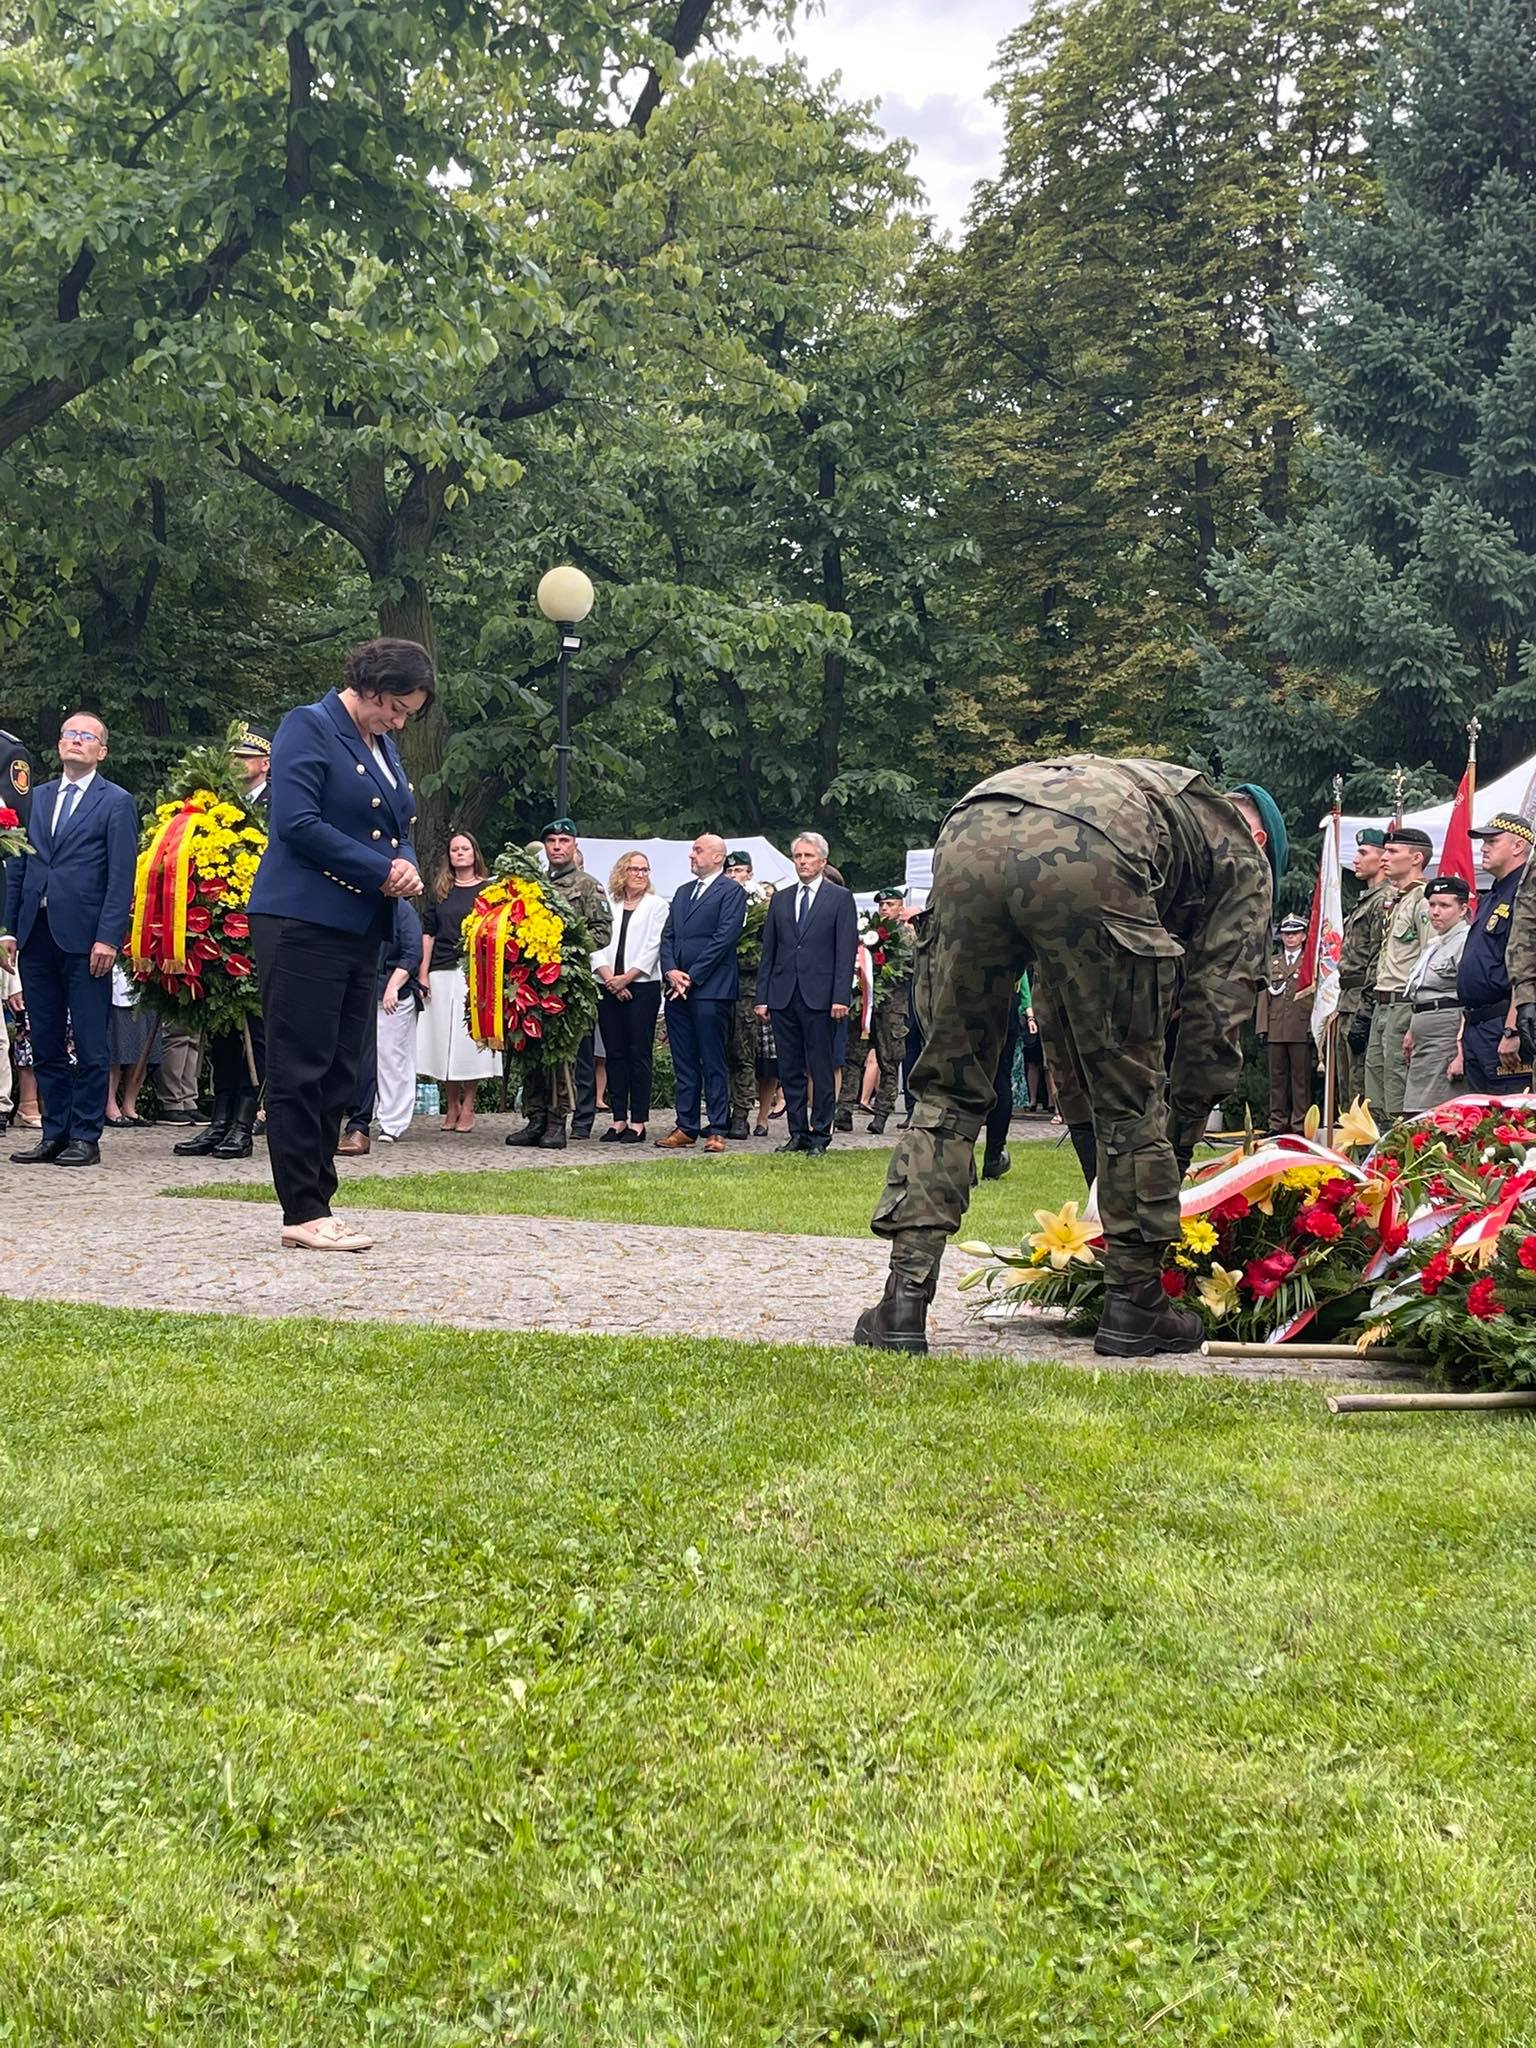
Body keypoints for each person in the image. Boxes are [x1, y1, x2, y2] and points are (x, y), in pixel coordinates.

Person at [854, 757, 1277, 1358]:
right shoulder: (1244, 858)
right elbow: (1217, 1011)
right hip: (1096, 843)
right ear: (1261, 838)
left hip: (972, 824)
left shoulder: (1143, 791)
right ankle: (1136, 1305)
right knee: (1130, 1098)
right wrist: (1174, 1139)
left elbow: (1057, 1010)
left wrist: (1094, 1154)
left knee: (948, 1088)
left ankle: (903, 1302)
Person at [247, 637, 430, 1252]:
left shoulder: (383, 746)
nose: (399, 722)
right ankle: (302, 1208)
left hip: (359, 923)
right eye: (396, 708)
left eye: (408, 714)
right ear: (371, 686)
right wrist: (380, 870)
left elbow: (399, 825)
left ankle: (318, 1200)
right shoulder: (308, 725)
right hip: (302, 918)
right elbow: (296, 824)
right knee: (301, 1065)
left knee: (338, 1069)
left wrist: (405, 864)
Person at [3, 711, 138, 1167]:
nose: (76, 741)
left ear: (102, 751)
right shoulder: (36, 798)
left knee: (89, 1040)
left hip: (86, 938)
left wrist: (109, 937)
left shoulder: (115, 802)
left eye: (87, 736)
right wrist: (8, 929)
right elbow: (19, 864)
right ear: (59, 744)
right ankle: (54, 1131)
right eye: (70, 734)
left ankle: (85, 1135)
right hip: (36, 932)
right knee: (43, 1039)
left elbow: (120, 876)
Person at [174, 724, 272, 1161]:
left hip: (259, 927)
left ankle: (244, 1122)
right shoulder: (218, 806)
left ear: (264, 763)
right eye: (231, 757)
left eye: (244, 757)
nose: (235, 764)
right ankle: (220, 1120)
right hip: (219, 926)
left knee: (254, 1033)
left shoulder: (276, 804)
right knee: (222, 1032)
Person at [505, 819, 612, 1148]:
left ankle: (556, 1121)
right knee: (531, 1050)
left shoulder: (587, 885)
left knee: (560, 1054)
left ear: (574, 845)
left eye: (563, 841)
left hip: (566, 981)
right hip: (530, 979)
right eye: (551, 841)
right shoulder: (533, 885)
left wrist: (563, 946)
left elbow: (602, 932)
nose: (556, 846)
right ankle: (535, 1118)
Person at [755, 831, 858, 1156]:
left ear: (823, 861)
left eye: (808, 856)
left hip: (821, 997)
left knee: (821, 1067)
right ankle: (797, 1132)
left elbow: (845, 952)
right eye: (798, 856)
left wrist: (840, 996)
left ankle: (820, 1134)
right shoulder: (782, 899)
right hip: (784, 994)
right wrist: (762, 996)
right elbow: (770, 951)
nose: (802, 861)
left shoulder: (839, 898)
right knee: (789, 1068)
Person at [655, 833, 747, 1151]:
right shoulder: (683, 892)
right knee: (684, 1060)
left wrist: (692, 977)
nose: (691, 855)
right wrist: (671, 971)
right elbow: (668, 936)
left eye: (698, 850)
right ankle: (686, 1125)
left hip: (711, 989)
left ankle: (718, 1127)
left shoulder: (731, 891)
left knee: (713, 1059)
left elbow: (724, 938)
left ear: (718, 857)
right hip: (677, 990)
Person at [1351, 824, 1433, 1121]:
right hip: (1382, 1002)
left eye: (1392, 851)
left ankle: (1397, 1146)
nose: (1384, 857)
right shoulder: (1395, 900)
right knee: (1375, 1090)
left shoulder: (1424, 901)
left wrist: (1417, 1015)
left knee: (1397, 1090)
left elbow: (1430, 958)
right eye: (1384, 851)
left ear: (1416, 859)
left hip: (1404, 1004)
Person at [418, 829, 499, 1132]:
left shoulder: (488, 891)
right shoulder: (441, 891)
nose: (460, 853)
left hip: (474, 972)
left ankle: (469, 1105)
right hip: (440, 969)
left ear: (475, 853)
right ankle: (450, 1104)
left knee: (468, 1040)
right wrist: (423, 973)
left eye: (465, 848)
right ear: (449, 856)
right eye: (455, 850)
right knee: (444, 1039)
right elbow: (428, 933)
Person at [591, 850, 667, 1142]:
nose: (640, 874)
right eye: (635, 869)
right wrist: (610, 978)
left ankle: (638, 1121)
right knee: (614, 1054)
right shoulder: (607, 904)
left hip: (642, 985)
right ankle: (618, 1118)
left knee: (639, 1053)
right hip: (607, 984)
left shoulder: (656, 905)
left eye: (645, 870)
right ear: (622, 871)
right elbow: (595, 942)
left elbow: (653, 946)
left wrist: (627, 978)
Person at [1457, 811, 1534, 1093]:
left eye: (1492, 841)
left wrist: (1512, 1028)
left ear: (1518, 846)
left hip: (1503, 1022)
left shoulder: (1524, 894)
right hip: (1477, 1024)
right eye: (1483, 842)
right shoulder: (1492, 896)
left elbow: (1525, 965)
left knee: (1511, 1110)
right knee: (1480, 1113)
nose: (1483, 848)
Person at [341, 896, 425, 1151]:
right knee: (364, 1059)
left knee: (392, 1058)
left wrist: (392, 987)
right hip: (365, 992)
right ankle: (368, 1113)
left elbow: (412, 953)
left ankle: (393, 1122)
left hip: (393, 993)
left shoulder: (403, 911)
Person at [835, 886, 911, 1137]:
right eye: (882, 905)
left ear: (900, 907)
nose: (885, 909)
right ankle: (844, 1110)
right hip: (864, 1006)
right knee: (852, 1058)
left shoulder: (907, 937)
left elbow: (909, 969)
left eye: (890, 904)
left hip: (891, 1008)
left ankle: (881, 1114)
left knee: (889, 1061)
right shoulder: (868, 934)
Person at [1402, 876, 1471, 1113]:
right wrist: (1412, 1029)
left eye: (1444, 905)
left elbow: (1470, 999)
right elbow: (1421, 992)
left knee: (1440, 1108)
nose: (1435, 912)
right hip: (1423, 1034)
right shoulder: (1435, 944)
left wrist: (1460, 1052)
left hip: (1447, 1035)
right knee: (1417, 1109)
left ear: (1463, 909)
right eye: (1432, 905)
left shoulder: (1465, 942)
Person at [1334, 827, 1391, 1108]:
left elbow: (1378, 958)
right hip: (1348, 1000)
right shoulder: (1366, 900)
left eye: (1363, 852)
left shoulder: (1383, 901)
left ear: (1381, 859)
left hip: (1362, 1001)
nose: (1355, 859)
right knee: (1346, 1088)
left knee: (1361, 1090)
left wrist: (1365, 1013)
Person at [1256, 911, 1315, 1135]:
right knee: (1277, 1079)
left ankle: (1299, 1124)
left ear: (1303, 936)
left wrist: (1313, 1027)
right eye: (1286, 933)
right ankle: (1277, 1123)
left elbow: (1314, 997)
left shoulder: (1309, 963)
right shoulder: (1273, 963)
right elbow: (1264, 996)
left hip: (1300, 1028)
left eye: (1295, 933)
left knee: (1301, 1080)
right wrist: (1262, 1027)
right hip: (1276, 1028)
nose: (1290, 937)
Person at [723, 849, 761, 1140]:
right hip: (719, 990)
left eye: (739, 871)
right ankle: (720, 1111)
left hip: (746, 991)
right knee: (718, 1055)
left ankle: (741, 1115)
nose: (734, 875)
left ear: (750, 874)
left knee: (743, 1054)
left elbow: (763, 954)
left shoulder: (759, 908)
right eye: (730, 871)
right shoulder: (720, 900)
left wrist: (729, 956)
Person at [105, 961, 160, 1127]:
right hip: (116, 978)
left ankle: (129, 1105)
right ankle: (109, 1105)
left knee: (142, 1048)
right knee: (115, 1049)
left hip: (147, 975)